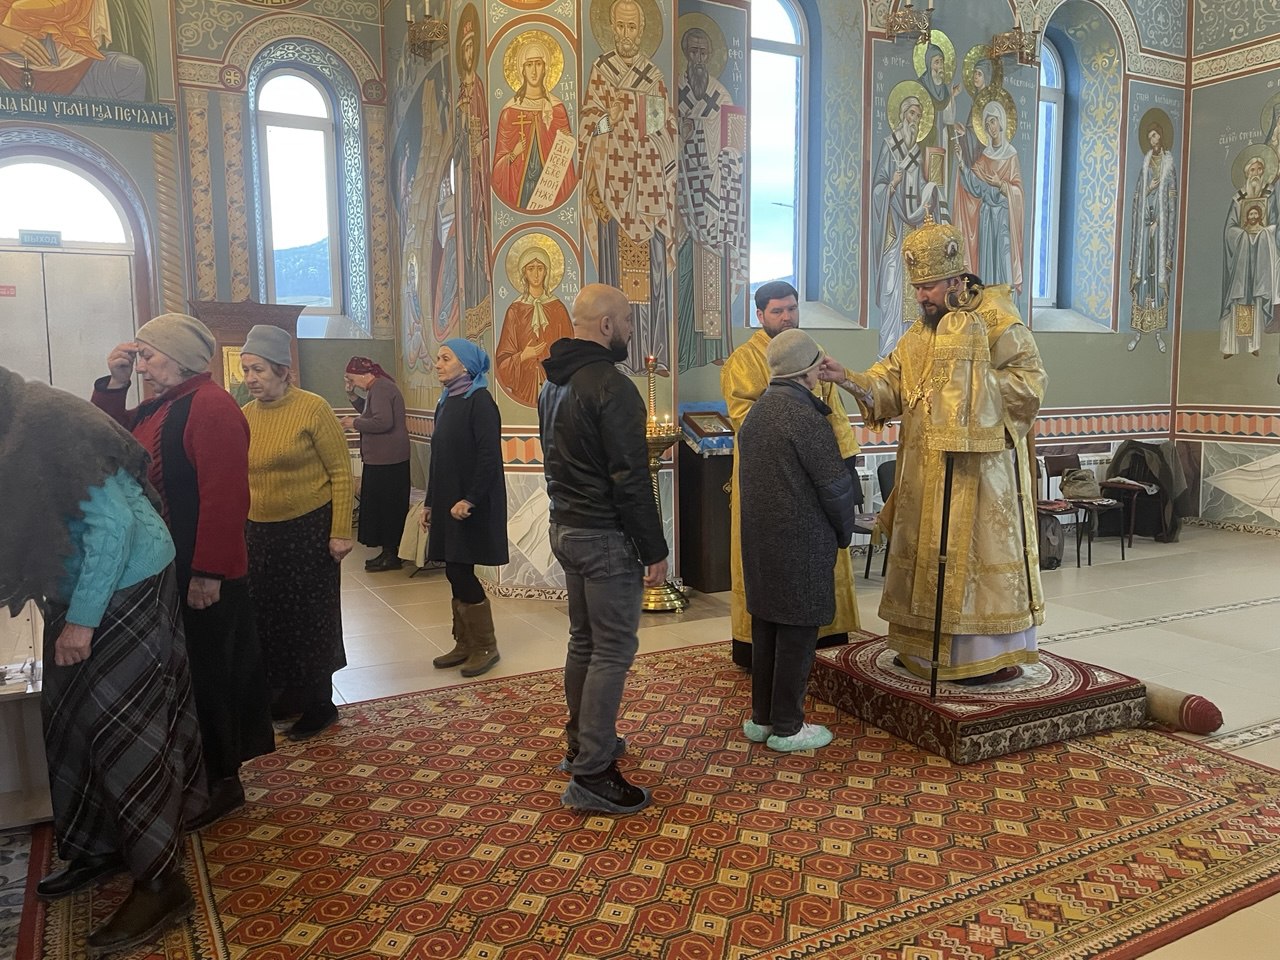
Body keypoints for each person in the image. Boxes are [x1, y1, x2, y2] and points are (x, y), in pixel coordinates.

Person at [0, 368, 204, 955]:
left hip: (127, 581)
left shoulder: (50, 423)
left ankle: (161, 883)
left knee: (126, 734)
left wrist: (83, 622)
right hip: (79, 585)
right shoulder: (13, 422)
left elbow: (112, 529)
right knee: (68, 722)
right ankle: (100, 846)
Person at [820, 216, 1047, 685]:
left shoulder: (999, 321)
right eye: (917, 288)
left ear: (956, 280)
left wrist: (972, 389)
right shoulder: (919, 334)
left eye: (929, 287)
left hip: (977, 475)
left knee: (969, 562)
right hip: (923, 473)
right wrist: (848, 379)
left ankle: (979, 655)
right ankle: (920, 650)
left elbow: (1030, 384)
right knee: (924, 558)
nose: (921, 296)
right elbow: (890, 383)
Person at [91, 314, 273, 830]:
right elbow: (105, 444)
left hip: (204, 571)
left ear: (181, 358)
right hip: (171, 566)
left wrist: (208, 572)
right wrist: (114, 385)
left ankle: (224, 780)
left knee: (213, 674)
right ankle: (197, 768)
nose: (141, 366)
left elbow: (225, 498)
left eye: (148, 356)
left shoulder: (210, 406)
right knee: (188, 672)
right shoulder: (165, 404)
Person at [538, 283, 668, 814]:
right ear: (608, 325)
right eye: (629, 322)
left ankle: (582, 742)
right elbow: (630, 478)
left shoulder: (553, 382)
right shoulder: (612, 386)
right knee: (612, 650)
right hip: (605, 535)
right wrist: (654, 548)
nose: (632, 331)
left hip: (566, 527)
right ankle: (592, 773)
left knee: (584, 641)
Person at [720, 280, 861, 670]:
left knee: (819, 557)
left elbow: (836, 412)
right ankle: (760, 650)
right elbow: (745, 419)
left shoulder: (814, 352)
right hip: (771, 478)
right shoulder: (743, 360)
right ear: (760, 315)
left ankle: (827, 638)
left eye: (792, 309)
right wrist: (799, 426)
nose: (787, 317)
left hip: (819, 473)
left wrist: (845, 466)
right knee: (772, 565)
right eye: (778, 311)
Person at [737, 330, 857, 753]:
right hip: (800, 542)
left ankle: (763, 718)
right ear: (808, 372)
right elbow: (835, 487)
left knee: (767, 627)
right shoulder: (805, 418)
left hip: (760, 542)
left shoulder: (757, 413)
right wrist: (844, 532)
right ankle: (788, 727)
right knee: (797, 633)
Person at [239, 325, 354, 740]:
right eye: (246, 370)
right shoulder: (245, 415)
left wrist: (341, 531)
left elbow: (341, 472)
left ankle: (320, 703)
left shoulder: (313, 409)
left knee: (310, 618)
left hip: (308, 530)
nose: (251, 378)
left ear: (283, 370)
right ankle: (285, 696)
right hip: (259, 533)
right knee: (268, 617)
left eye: (258, 369)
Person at [579, 0, 679, 374]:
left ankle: (652, 355)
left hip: (647, 190)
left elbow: (664, 129)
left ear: (641, 31)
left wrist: (650, 139)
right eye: (619, 27)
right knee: (615, 281)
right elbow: (588, 127)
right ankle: (618, 359)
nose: (625, 35)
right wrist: (610, 118)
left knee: (651, 279)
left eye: (632, 27)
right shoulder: (601, 71)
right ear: (611, 28)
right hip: (612, 189)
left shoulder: (651, 76)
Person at [424, 338, 508, 677]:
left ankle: (486, 646)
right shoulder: (446, 401)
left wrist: (470, 499)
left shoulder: (480, 402)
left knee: (460, 569)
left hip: (472, 503)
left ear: (466, 365)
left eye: (446, 358)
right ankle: (464, 642)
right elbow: (438, 458)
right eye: (438, 358)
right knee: (452, 568)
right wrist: (430, 502)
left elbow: (489, 458)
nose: (438, 364)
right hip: (447, 501)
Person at [675, 23, 746, 372]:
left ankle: (712, 346)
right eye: (693, 51)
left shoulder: (722, 95)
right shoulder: (675, 90)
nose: (698, 58)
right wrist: (681, 131)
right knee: (683, 269)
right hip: (683, 193)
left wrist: (727, 169)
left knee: (713, 268)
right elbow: (658, 135)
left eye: (704, 52)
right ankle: (682, 346)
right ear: (685, 54)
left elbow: (736, 142)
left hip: (714, 193)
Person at [873, 89, 947, 356]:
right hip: (895, 231)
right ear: (902, 115)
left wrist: (931, 191)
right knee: (892, 288)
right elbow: (878, 188)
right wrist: (891, 185)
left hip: (914, 230)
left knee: (916, 294)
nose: (914, 120)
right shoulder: (889, 145)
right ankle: (889, 350)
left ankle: (912, 351)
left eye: (918, 116)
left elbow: (921, 184)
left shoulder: (917, 152)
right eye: (912, 114)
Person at [341, 356, 410, 572]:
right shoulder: (378, 388)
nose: (352, 382)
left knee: (387, 508)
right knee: (382, 508)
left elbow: (382, 422)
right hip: (384, 460)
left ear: (364, 374)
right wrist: (352, 395)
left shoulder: (381, 388)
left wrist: (354, 423)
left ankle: (391, 555)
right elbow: (369, 411)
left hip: (387, 461)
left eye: (352, 378)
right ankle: (387, 552)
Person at [492, 37, 578, 211]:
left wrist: (564, 143)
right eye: (529, 65)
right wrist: (513, 155)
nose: (534, 71)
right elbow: (497, 169)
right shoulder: (510, 112)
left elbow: (567, 167)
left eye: (538, 64)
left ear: (545, 68)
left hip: (550, 190)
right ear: (522, 70)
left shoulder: (557, 109)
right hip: (520, 191)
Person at [953, 97, 1024, 293]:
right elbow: (975, 187)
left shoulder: (1011, 155)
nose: (991, 127)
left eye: (993, 121)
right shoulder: (984, 157)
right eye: (987, 124)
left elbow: (1018, 192)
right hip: (986, 219)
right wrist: (961, 163)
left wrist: (1000, 184)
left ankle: (1006, 305)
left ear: (1001, 122)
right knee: (987, 267)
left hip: (1002, 219)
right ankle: (987, 305)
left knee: (1004, 262)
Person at [495, 246, 574, 406]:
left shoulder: (558, 308)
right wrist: (523, 356)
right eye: (531, 269)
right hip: (524, 387)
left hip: (554, 385)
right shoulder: (515, 310)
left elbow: (570, 351)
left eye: (540, 268)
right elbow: (502, 361)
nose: (536, 274)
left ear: (546, 272)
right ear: (524, 273)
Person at [1220, 151, 1279, 359]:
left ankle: (1254, 345)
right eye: (1252, 170)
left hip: (1260, 257)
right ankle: (1230, 347)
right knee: (1236, 298)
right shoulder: (1238, 198)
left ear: (1263, 172)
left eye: (1259, 169)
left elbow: (1275, 224)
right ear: (1246, 173)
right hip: (1240, 260)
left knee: (1255, 298)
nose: (1255, 173)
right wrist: (1244, 237)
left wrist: (1263, 233)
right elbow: (1229, 229)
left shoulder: (1269, 194)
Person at [453, 3, 493, 310]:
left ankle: (484, 284)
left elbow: (486, 131)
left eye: (471, 48)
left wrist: (480, 145)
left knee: (481, 226)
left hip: (479, 175)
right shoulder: (460, 94)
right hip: (465, 176)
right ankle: (474, 290)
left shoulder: (478, 86)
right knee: (466, 231)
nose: (468, 54)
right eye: (464, 48)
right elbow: (456, 142)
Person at [1127, 120, 1177, 352]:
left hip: (1160, 233)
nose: (1152, 140)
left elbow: (1172, 203)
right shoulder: (1145, 166)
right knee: (1143, 279)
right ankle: (1138, 332)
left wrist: (1160, 222)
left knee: (1157, 279)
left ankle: (1158, 334)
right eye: (1149, 137)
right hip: (1145, 229)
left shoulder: (1169, 166)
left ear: (1162, 136)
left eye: (1155, 136)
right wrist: (1148, 189)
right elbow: (1138, 197)